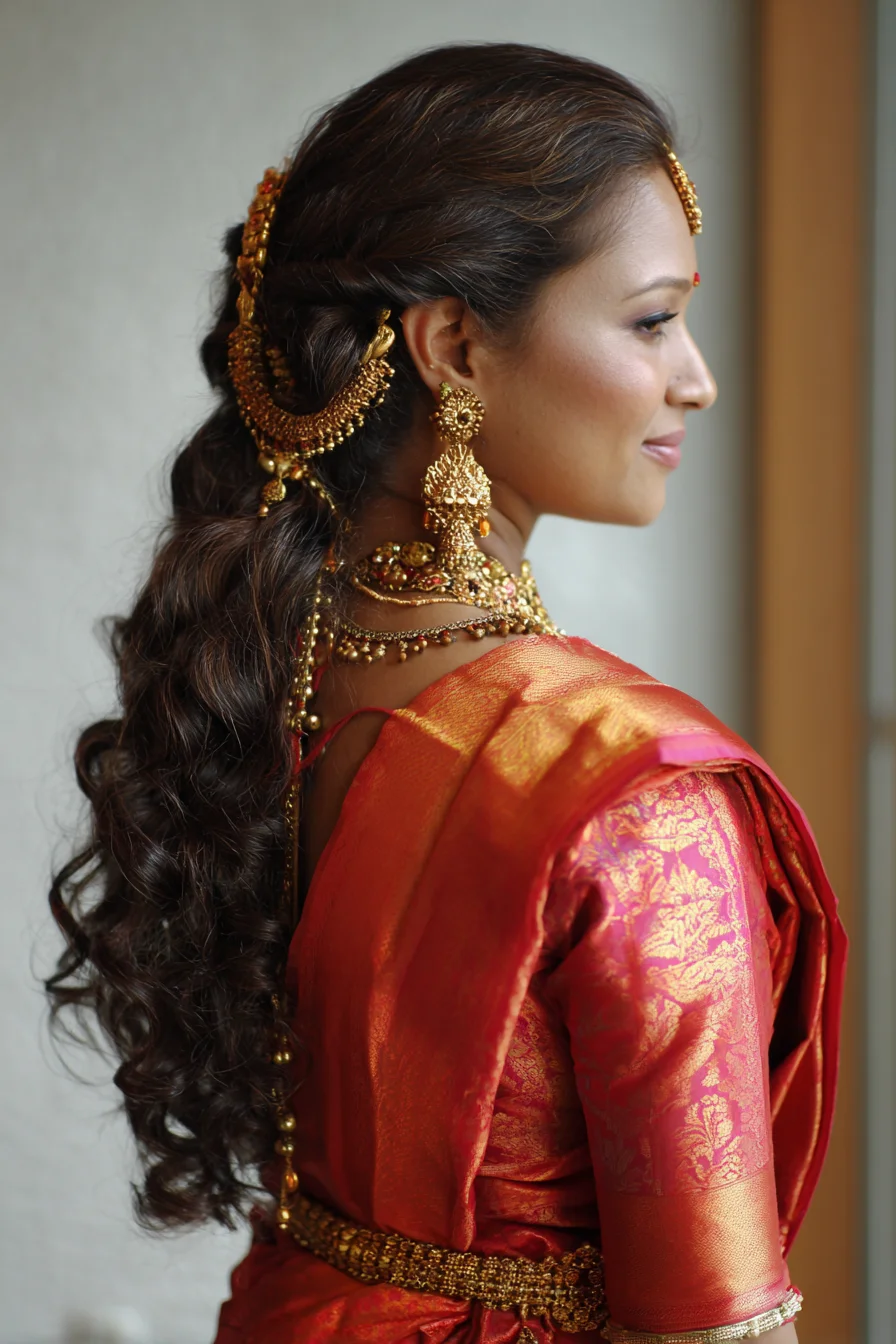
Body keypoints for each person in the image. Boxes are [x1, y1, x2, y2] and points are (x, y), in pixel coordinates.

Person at [46, 42, 846, 1344]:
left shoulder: (271, 669)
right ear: (455, 348)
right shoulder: (628, 797)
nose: (694, 377)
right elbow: (716, 1325)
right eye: (652, 319)